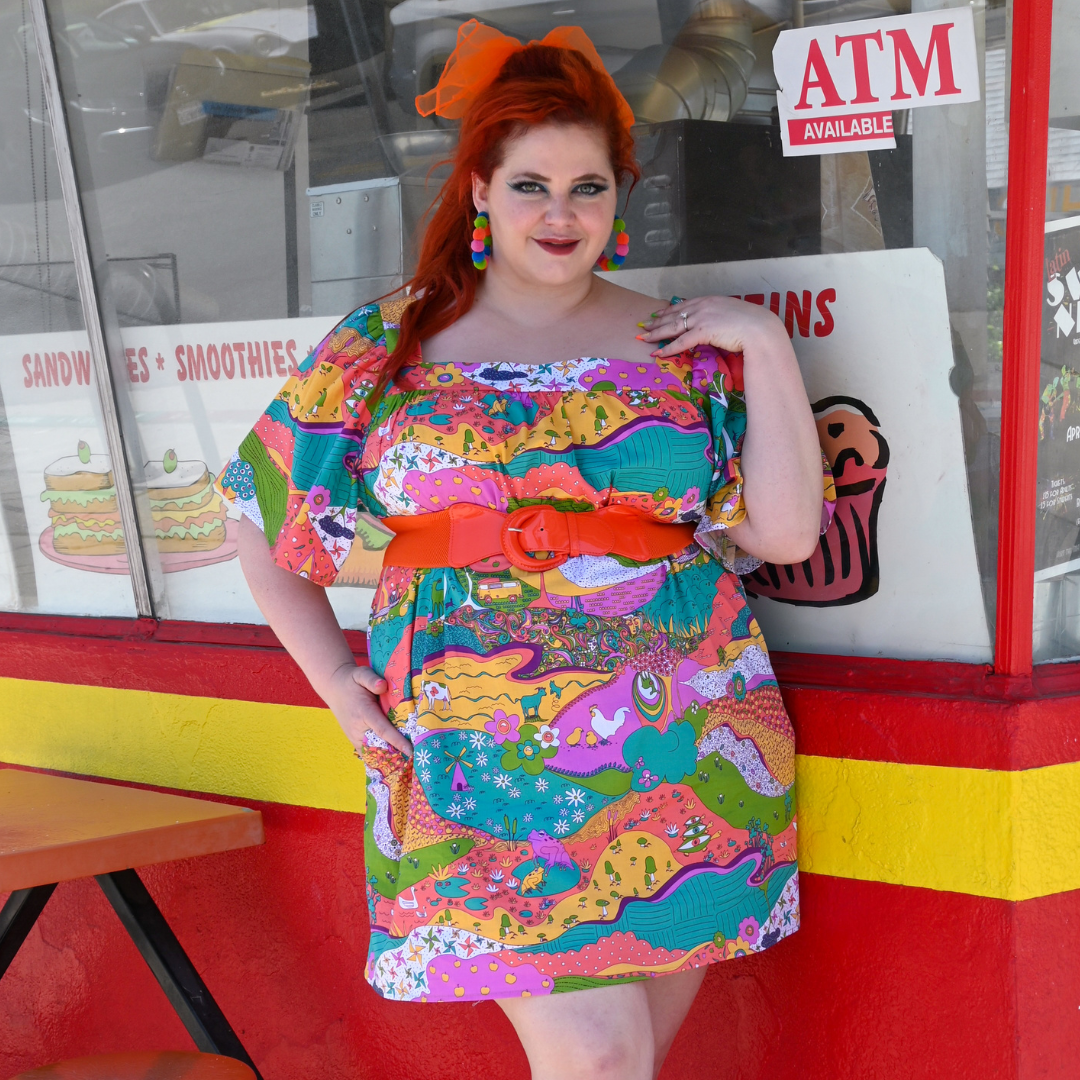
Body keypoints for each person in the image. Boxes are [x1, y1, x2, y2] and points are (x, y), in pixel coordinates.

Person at [218, 20, 830, 1080]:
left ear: (619, 200)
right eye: (532, 184)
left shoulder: (679, 349)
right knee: (599, 1064)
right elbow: (256, 516)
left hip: (683, 744)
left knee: (617, 1065)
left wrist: (766, 348)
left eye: (589, 187)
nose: (561, 213)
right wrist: (339, 689)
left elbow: (780, 535)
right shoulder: (386, 346)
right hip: (475, 753)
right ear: (478, 195)